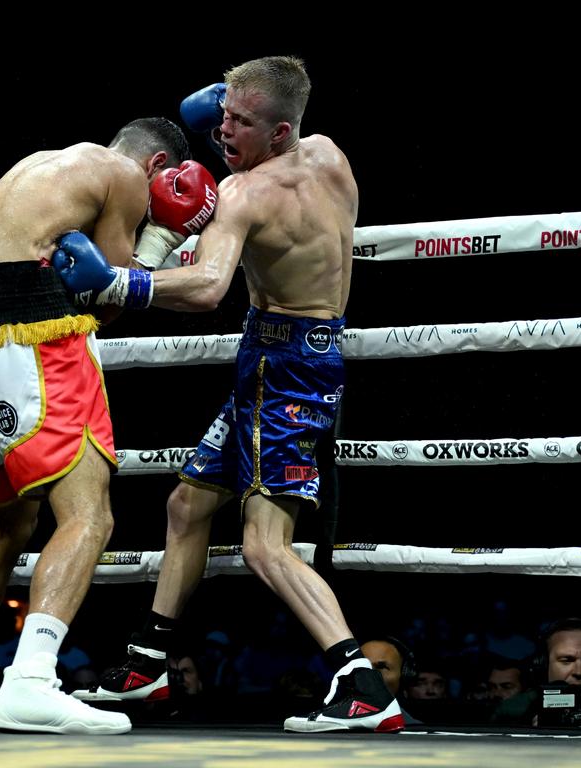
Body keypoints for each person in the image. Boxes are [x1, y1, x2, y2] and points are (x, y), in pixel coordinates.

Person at [55, 56, 403, 733]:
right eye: (224, 112)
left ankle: (361, 683)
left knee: (264, 546)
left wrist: (122, 284)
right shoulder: (328, 154)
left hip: (283, 366)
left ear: (279, 133)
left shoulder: (245, 194)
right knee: (187, 504)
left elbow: (210, 287)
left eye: (240, 121)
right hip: (297, 355)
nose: (221, 130)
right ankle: (149, 663)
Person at [0, 118, 208, 735]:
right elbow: (110, 290)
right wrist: (162, 234)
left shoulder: (50, 163)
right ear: (158, 163)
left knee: (9, 524)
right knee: (89, 515)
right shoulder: (125, 178)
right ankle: (30, 682)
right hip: (38, 337)